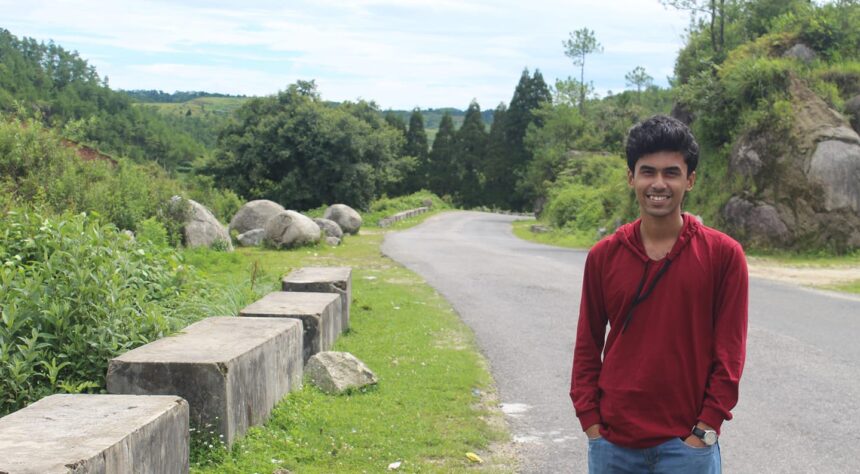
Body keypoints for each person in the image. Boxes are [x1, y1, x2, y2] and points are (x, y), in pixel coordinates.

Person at [570, 115, 748, 473]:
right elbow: (587, 345)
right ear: (631, 177)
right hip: (613, 447)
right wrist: (591, 424)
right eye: (648, 172)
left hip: (688, 448)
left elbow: (729, 354)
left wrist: (705, 428)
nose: (658, 184)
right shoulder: (604, 256)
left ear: (690, 180)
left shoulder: (723, 255)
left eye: (671, 173)